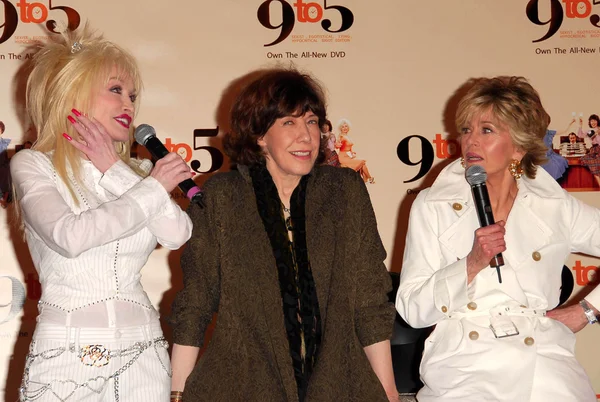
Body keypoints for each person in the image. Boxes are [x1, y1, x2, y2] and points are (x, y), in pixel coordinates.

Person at [169, 68, 398, 402]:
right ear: (260, 135)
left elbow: (370, 301)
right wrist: (177, 394)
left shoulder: (344, 192)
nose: (306, 136)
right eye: (289, 123)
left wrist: (389, 391)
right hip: (241, 386)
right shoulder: (222, 197)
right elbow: (196, 304)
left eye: (311, 121)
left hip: (339, 385)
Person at [11, 26, 193, 401]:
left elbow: (177, 233)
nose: (128, 104)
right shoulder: (33, 165)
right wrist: (153, 187)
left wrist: (114, 168)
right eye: (115, 90)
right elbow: (70, 237)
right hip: (68, 353)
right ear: (73, 92)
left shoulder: (139, 173)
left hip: (145, 350)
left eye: (132, 95)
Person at [396, 76, 600, 402]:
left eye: (486, 130)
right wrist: (470, 264)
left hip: (544, 363)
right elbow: (412, 309)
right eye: (466, 130)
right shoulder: (432, 205)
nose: (471, 142)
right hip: (464, 365)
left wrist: (589, 310)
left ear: (518, 145)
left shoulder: (554, 206)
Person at [335, 118, 375, 183]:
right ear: (340, 128)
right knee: (362, 161)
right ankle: (369, 178)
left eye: (346, 126)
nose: (345, 128)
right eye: (343, 127)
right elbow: (337, 146)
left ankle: (366, 180)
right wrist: (337, 144)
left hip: (348, 156)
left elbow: (349, 148)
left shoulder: (347, 136)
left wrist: (352, 153)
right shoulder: (341, 136)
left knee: (363, 164)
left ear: (348, 127)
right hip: (343, 157)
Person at [578, 114, 600, 184]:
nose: (593, 122)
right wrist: (580, 125)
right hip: (594, 150)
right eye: (591, 121)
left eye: (595, 121)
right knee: (593, 166)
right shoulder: (590, 131)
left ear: (597, 121)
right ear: (589, 122)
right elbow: (580, 135)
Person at [0, 120, 11, 208]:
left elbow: (5, 155)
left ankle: (4, 199)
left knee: (6, 177)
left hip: (3, 164)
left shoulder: (4, 142)